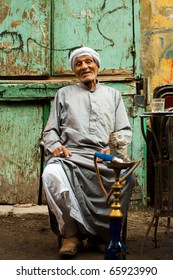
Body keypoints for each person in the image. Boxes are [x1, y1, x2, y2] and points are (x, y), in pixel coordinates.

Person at [42, 46, 135, 257]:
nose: (84, 67)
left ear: (97, 65)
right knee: (51, 175)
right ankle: (71, 235)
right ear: (74, 70)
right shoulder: (63, 94)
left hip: (103, 157)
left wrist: (114, 146)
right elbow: (50, 131)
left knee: (126, 178)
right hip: (71, 156)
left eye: (88, 62)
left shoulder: (113, 95)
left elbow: (124, 131)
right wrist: (56, 146)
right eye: (78, 63)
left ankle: (102, 236)